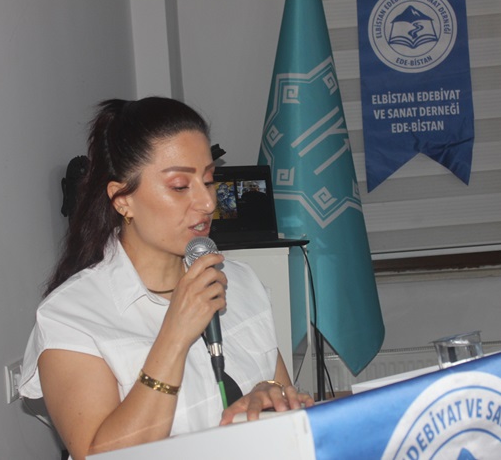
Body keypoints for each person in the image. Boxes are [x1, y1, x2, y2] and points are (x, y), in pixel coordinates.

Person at [18, 96, 313, 459]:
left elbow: (282, 401)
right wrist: (174, 335)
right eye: (179, 186)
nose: (207, 203)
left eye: (208, 180)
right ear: (122, 200)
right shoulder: (70, 317)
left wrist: (270, 396)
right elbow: (99, 455)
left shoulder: (240, 281)